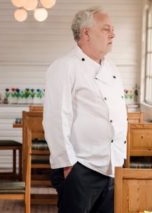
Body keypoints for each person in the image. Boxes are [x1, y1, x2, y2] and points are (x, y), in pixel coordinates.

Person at [43, 6, 127, 213]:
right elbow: (55, 119)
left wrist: (119, 161)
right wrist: (68, 165)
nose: (113, 34)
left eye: (112, 29)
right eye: (106, 29)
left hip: (112, 166)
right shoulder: (64, 66)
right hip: (81, 167)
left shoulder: (112, 68)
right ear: (86, 33)